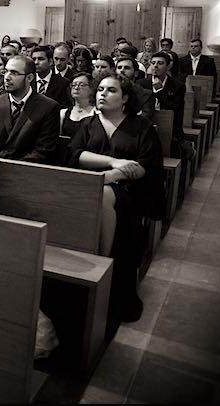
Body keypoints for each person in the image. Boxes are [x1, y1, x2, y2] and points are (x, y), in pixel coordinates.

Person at [70, 75, 164, 322]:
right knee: (96, 194)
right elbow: (76, 154)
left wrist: (111, 176)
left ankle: (103, 263)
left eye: (111, 90)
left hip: (131, 192)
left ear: (124, 98)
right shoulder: (87, 124)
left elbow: (146, 166)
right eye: (100, 89)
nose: (102, 94)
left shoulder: (140, 126)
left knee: (106, 195)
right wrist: (113, 162)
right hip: (86, 189)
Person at [0, 55, 60, 163]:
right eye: (6, 71)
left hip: (27, 172)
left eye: (14, 73)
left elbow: (43, 150)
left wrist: (12, 168)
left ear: (29, 78)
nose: (7, 77)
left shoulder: (48, 107)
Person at [59, 72, 96, 137]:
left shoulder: (97, 113)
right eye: (73, 85)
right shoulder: (63, 113)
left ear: (91, 89)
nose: (76, 88)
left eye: (81, 85)